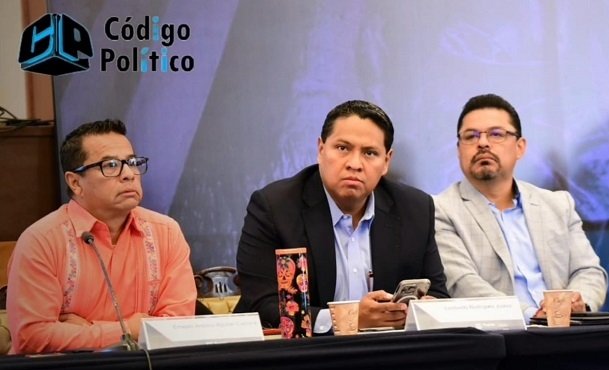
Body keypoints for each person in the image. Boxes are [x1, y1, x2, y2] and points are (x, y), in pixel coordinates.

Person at [233, 100, 448, 333]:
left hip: (387, 350)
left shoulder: (415, 209)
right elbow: (262, 305)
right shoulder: (275, 207)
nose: (355, 164)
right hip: (306, 351)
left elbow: (437, 293)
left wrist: (424, 309)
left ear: (386, 162)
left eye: (370, 153)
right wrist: (349, 319)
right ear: (321, 149)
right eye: (343, 148)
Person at [7, 119, 196, 354]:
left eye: (132, 163)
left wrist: (89, 330)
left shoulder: (166, 232)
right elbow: (33, 337)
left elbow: (178, 326)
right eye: (111, 165)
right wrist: (130, 329)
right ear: (75, 182)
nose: (128, 174)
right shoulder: (41, 241)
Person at [434, 94, 607, 322]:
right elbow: (462, 283)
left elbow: (589, 271)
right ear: (458, 150)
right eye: (471, 136)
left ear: (520, 147)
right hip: (503, 335)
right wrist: (532, 315)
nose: (482, 143)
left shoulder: (558, 204)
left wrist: (578, 300)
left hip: (567, 329)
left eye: (496, 134)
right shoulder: (440, 210)